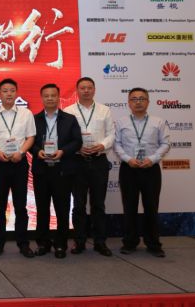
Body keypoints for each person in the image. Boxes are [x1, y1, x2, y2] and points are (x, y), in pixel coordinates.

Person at [114, 87, 170, 257]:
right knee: (129, 207)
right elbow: (116, 144)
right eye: (134, 99)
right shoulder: (121, 122)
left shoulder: (158, 122)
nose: (138, 102)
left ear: (148, 102)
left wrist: (152, 159)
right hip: (128, 168)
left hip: (151, 169)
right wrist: (127, 159)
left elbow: (165, 144)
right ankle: (130, 242)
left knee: (151, 207)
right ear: (128, 102)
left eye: (141, 99)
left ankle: (153, 244)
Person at [0, 78, 35, 258]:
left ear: (16, 93)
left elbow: (31, 137)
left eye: (12, 90)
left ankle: (23, 243)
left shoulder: (26, 114)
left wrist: (21, 152)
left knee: (21, 205)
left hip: (19, 162)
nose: (9, 94)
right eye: (5, 91)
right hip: (0, 162)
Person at [64, 77, 115, 256]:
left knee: (98, 204)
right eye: (82, 88)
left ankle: (100, 242)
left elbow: (111, 134)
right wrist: (77, 148)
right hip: (77, 161)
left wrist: (102, 145)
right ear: (77, 90)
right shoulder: (69, 111)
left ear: (94, 89)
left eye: (89, 87)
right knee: (78, 205)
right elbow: (65, 137)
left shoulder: (104, 110)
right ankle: (79, 241)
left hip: (99, 160)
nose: (86, 90)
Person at [30, 84, 82, 259]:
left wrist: (63, 151)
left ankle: (61, 244)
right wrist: (37, 151)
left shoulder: (70, 119)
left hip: (63, 170)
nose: (50, 98)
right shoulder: (34, 119)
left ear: (59, 97)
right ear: (42, 98)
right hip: (41, 169)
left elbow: (77, 141)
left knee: (62, 208)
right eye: (46, 95)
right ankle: (43, 243)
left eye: (53, 95)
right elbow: (28, 141)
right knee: (42, 208)